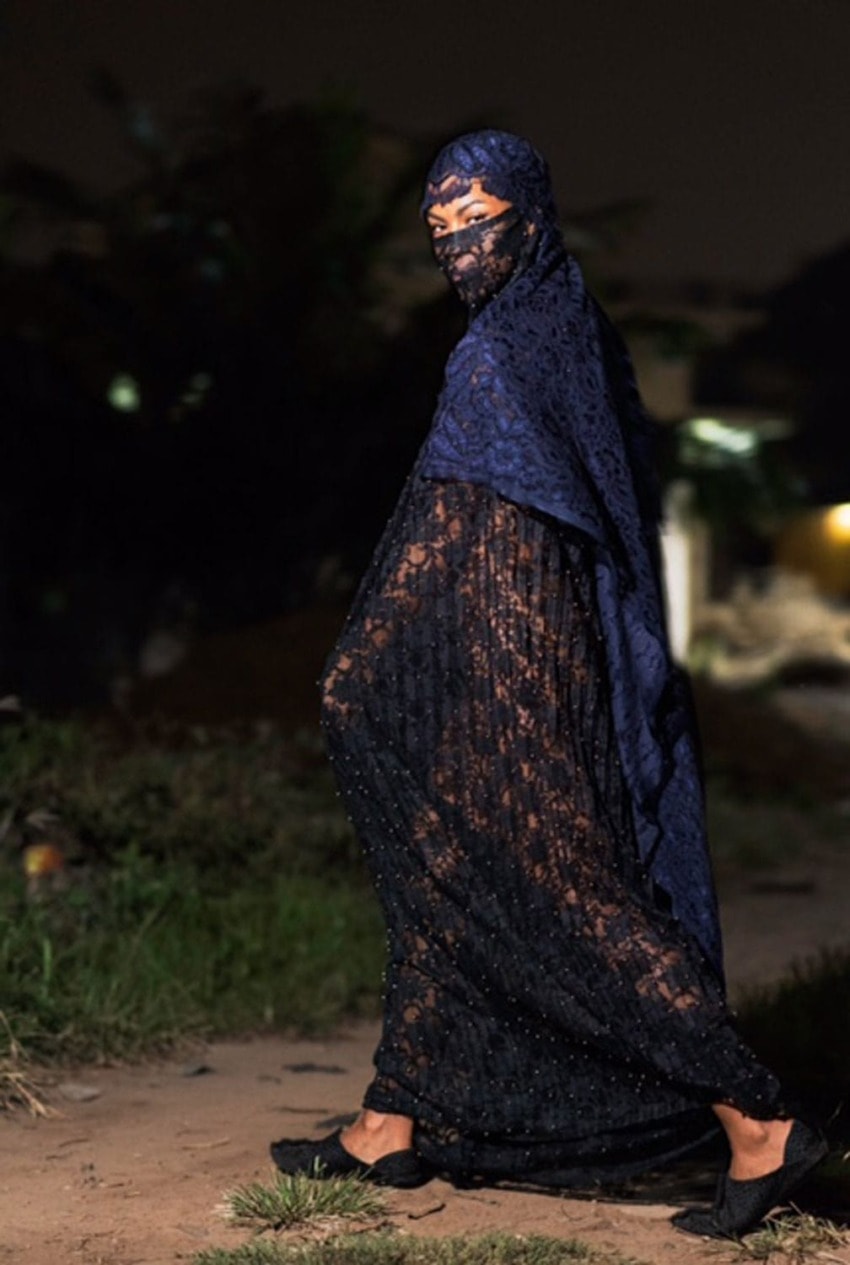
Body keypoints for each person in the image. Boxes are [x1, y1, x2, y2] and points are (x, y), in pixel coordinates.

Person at [270, 130, 826, 1239]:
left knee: (571, 894)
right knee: (449, 866)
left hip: (508, 669)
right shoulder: (570, 328)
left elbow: (450, 529)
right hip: (555, 652)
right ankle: (391, 1120)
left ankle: (760, 1122)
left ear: (524, 211)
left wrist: (362, 668)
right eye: (437, 227)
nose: (454, 242)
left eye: (472, 217)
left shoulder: (492, 358)